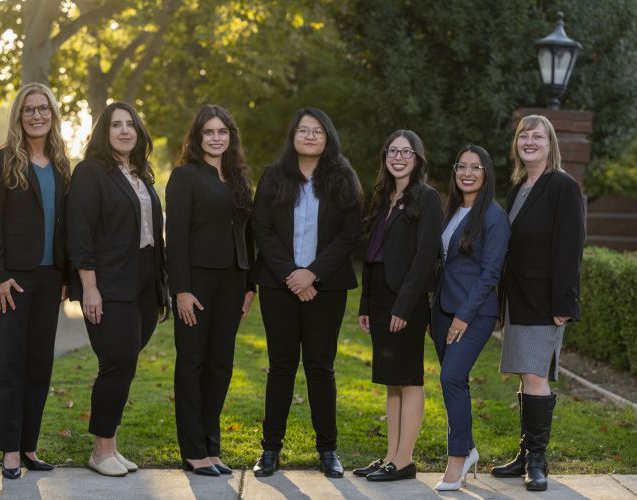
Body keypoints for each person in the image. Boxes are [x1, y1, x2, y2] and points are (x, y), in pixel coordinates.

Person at [251, 108, 363, 478]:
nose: (310, 136)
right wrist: (291, 275)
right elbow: (262, 230)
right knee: (281, 366)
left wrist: (311, 274)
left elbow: (349, 236)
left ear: (328, 137)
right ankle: (270, 450)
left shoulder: (344, 179)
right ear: (293, 136)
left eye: (317, 131)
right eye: (303, 130)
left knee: (321, 367)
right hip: (278, 286)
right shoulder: (273, 176)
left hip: (325, 288)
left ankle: (328, 449)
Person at [67, 101, 168, 477]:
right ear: (103, 133)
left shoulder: (141, 174)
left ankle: (110, 444)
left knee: (125, 363)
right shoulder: (91, 172)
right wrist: (89, 287)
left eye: (131, 125)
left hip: (144, 282)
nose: (125, 131)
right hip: (109, 281)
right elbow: (80, 233)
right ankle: (100, 450)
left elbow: (153, 236)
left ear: (139, 132)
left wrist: (160, 287)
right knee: (117, 362)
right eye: (116, 125)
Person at [491, 115, 585, 491]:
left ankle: (537, 460)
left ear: (550, 144)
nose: (529, 141)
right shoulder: (518, 187)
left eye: (538, 136)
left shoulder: (562, 186)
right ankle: (524, 453)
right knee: (526, 373)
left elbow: (569, 247)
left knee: (535, 374)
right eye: (523, 136)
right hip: (518, 297)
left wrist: (563, 302)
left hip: (545, 299)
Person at [0, 82, 71, 479]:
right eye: (29, 109)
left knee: (39, 366)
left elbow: (67, 225)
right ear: (19, 116)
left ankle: (30, 446)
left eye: (44, 109)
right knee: (9, 365)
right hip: (13, 282)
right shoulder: (0, 161)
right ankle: (10, 451)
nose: (37, 115)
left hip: (51, 279)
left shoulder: (62, 165)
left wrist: (67, 275)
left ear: (53, 116)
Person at [166, 104, 255, 477]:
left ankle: (211, 447)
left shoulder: (238, 179)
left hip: (233, 282)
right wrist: (181, 290)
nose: (216, 138)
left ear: (231, 137)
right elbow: (176, 238)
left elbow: (248, 234)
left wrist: (250, 284)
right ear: (197, 137)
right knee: (192, 363)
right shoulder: (184, 176)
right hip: (197, 283)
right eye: (209, 132)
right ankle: (193, 450)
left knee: (220, 365)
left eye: (223, 132)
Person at [354, 130, 442, 482]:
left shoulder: (428, 198)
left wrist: (404, 308)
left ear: (417, 159)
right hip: (378, 297)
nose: (399, 157)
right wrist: (364, 301)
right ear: (385, 156)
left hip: (406, 300)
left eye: (406, 152)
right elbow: (371, 256)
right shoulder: (382, 198)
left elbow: (425, 258)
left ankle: (404, 460)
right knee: (391, 381)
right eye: (393, 151)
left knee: (408, 380)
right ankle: (391, 455)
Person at [430, 145, 510, 490]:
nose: (467, 173)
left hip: (473, 314)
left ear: (486, 173)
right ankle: (469, 447)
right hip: (443, 310)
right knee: (455, 383)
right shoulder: (451, 211)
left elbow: (491, 273)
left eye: (475, 167)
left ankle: (458, 458)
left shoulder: (493, 216)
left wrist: (464, 315)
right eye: (461, 166)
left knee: (450, 377)